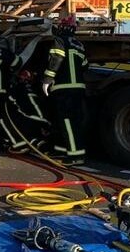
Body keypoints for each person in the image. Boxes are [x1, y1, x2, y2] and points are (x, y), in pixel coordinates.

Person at [41, 15, 88, 165]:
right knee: (70, 121)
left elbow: (56, 59)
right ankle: (61, 149)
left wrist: (47, 80)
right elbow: (85, 65)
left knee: (67, 122)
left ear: (62, 28)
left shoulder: (60, 41)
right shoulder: (79, 45)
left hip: (63, 88)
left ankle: (75, 156)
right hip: (78, 89)